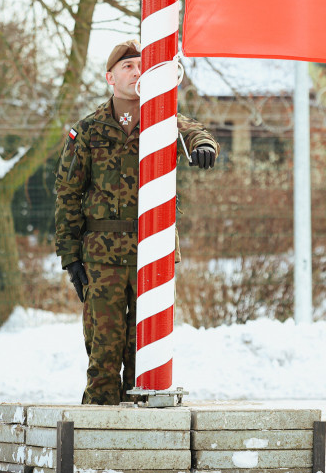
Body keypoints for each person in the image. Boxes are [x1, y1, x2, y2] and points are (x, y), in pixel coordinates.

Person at [54, 39, 218, 405]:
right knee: (104, 351)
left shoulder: (162, 118)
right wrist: (71, 258)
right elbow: (67, 195)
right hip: (102, 257)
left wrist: (204, 145)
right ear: (110, 77)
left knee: (145, 352)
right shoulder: (89, 130)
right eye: (128, 66)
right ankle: (97, 433)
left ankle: (142, 440)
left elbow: (193, 130)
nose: (137, 71)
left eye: (142, 65)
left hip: (151, 254)